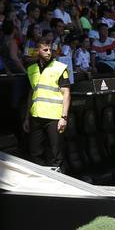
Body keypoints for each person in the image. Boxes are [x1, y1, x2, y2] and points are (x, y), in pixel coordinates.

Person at [24, 35, 71, 169]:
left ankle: (60, 180)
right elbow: (31, 93)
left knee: (56, 153)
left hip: (54, 117)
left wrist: (64, 117)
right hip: (36, 116)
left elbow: (66, 93)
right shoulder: (31, 69)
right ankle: (44, 179)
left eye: (49, 49)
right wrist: (27, 118)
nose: (49, 52)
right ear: (37, 51)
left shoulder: (60, 67)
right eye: (45, 50)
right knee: (34, 152)